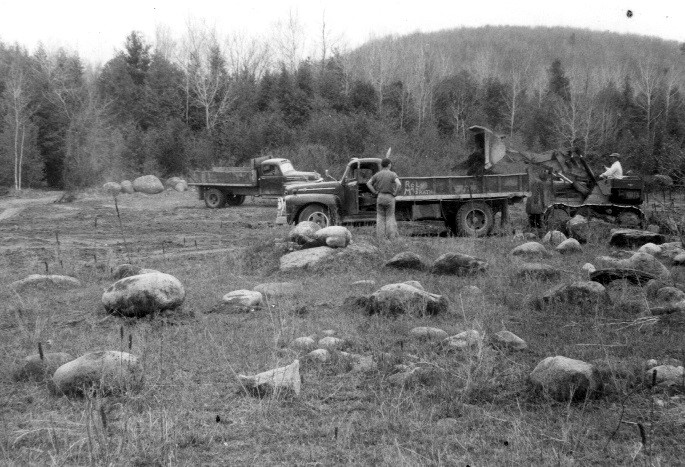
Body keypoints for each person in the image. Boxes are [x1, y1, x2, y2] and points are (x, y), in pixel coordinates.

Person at [366, 158, 402, 240]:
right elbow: (399, 184)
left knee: (380, 217)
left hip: (380, 197)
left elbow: (368, 183)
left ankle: (380, 238)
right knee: (390, 217)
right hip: (389, 197)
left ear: (382, 165)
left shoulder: (377, 174)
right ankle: (391, 237)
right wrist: (395, 193)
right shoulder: (392, 174)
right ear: (389, 165)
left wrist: (374, 192)